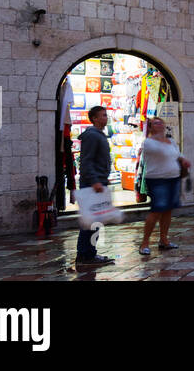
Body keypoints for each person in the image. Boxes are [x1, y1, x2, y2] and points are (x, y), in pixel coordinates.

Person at [138, 117, 190, 255]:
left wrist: (183, 159)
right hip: (157, 180)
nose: (159, 124)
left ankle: (163, 240)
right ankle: (144, 243)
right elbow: (162, 153)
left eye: (161, 122)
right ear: (150, 127)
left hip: (173, 178)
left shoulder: (171, 141)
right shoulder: (148, 143)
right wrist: (163, 139)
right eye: (156, 123)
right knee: (156, 211)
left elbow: (177, 154)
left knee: (168, 210)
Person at [76, 105, 115, 266]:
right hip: (92, 185)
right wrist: (95, 181)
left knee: (94, 221)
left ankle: (89, 254)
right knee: (91, 222)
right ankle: (86, 255)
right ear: (95, 118)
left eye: (106, 115)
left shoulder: (98, 135)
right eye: (103, 115)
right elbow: (87, 162)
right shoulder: (92, 136)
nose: (106, 117)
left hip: (98, 183)